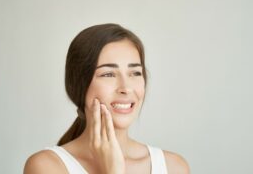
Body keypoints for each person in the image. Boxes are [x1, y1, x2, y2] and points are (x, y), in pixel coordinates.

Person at [24, 23, 190, 174]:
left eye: (135, 73)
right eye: (108, 74)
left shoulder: (174, 167)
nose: (125, 88)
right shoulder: (47, 166)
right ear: (79, 85)